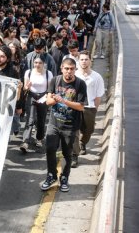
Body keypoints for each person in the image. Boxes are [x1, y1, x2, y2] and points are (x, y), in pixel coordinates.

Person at [40, 58, 87, 192]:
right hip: (54, 123)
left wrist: (64, 101)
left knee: (67, 154)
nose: (69, 72)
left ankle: (64, 177)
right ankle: (51, 175)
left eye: (72, 69)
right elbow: (48, 101)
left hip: (70, 125)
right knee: (50, 149)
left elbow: (80, 107)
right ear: (62, 68)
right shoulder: (55, 80)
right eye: (66, 68)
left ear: (75, 70)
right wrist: (54, 99)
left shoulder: (80, 84)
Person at [71, 51, 105, 167]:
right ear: (78, 61)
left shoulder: (97, 77)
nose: (84, 61)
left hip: (89, 108)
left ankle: (83, 142)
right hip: (75, 107)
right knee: (74, 132)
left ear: (90, 60)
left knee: (88, 130)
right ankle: (74, 156)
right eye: (82, 59)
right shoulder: (74, 75)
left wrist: (94, 109)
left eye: (86, 59)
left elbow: (98, 95)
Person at [20, 56, 53, 153]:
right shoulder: (29, 72)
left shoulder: (48, 73)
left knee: (41, 120)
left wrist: (47, 97)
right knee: (30, 119)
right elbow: (25, 88)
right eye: (35, 62)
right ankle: (25, 141)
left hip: (43, 97)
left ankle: (39, 138)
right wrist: (27, 87)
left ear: (44, 64)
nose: (37, 65)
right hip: (31, 96)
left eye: (39, 63)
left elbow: (50, 88)